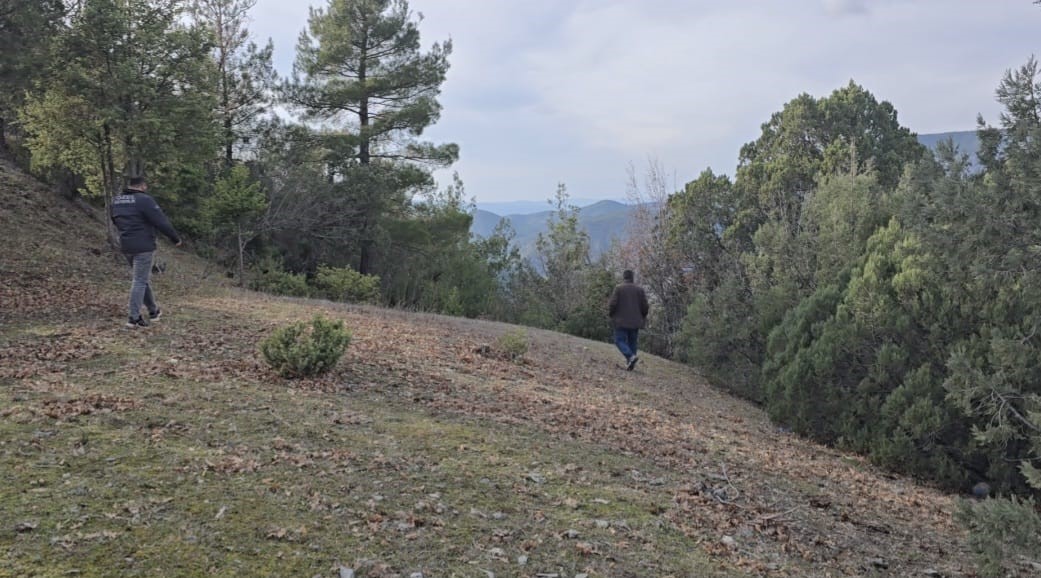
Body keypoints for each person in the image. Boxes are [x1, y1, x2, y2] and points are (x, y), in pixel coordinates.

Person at [110, 176, 182, 328]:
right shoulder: (144, 200)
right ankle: (133, 318)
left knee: (142, 279)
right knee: (139, 281)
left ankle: (153, 311)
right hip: (143, 245)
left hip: (126, 245)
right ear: (143, 186)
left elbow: (114, 220)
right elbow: (160, 221)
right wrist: (175, 238)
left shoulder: (116, 201)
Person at [608, 269, 649, 370]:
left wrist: (611, 314)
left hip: (621, 320)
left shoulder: (619, 288)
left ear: (624, 277)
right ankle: (631, 363)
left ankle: (630, 357)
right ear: (632, 277)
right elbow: (645, 307)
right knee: (632, 342)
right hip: (635, 321)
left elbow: (612, 304)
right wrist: (642, 316)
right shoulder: (640, 290)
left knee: (619, 340)